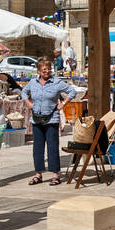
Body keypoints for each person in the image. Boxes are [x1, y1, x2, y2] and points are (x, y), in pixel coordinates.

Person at [22, 57, 73, 185]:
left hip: (52, 119)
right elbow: (23, 91)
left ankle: (56, 175)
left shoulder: (56, 82)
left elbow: (71, 91)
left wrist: (63, 104)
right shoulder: (33, 82)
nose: (47, 71)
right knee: (37, 148)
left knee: (52, 148)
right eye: (44, 69)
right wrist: (28, 102)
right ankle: (38, 174)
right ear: (38, 71)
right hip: (36, 119)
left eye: (49, 69)